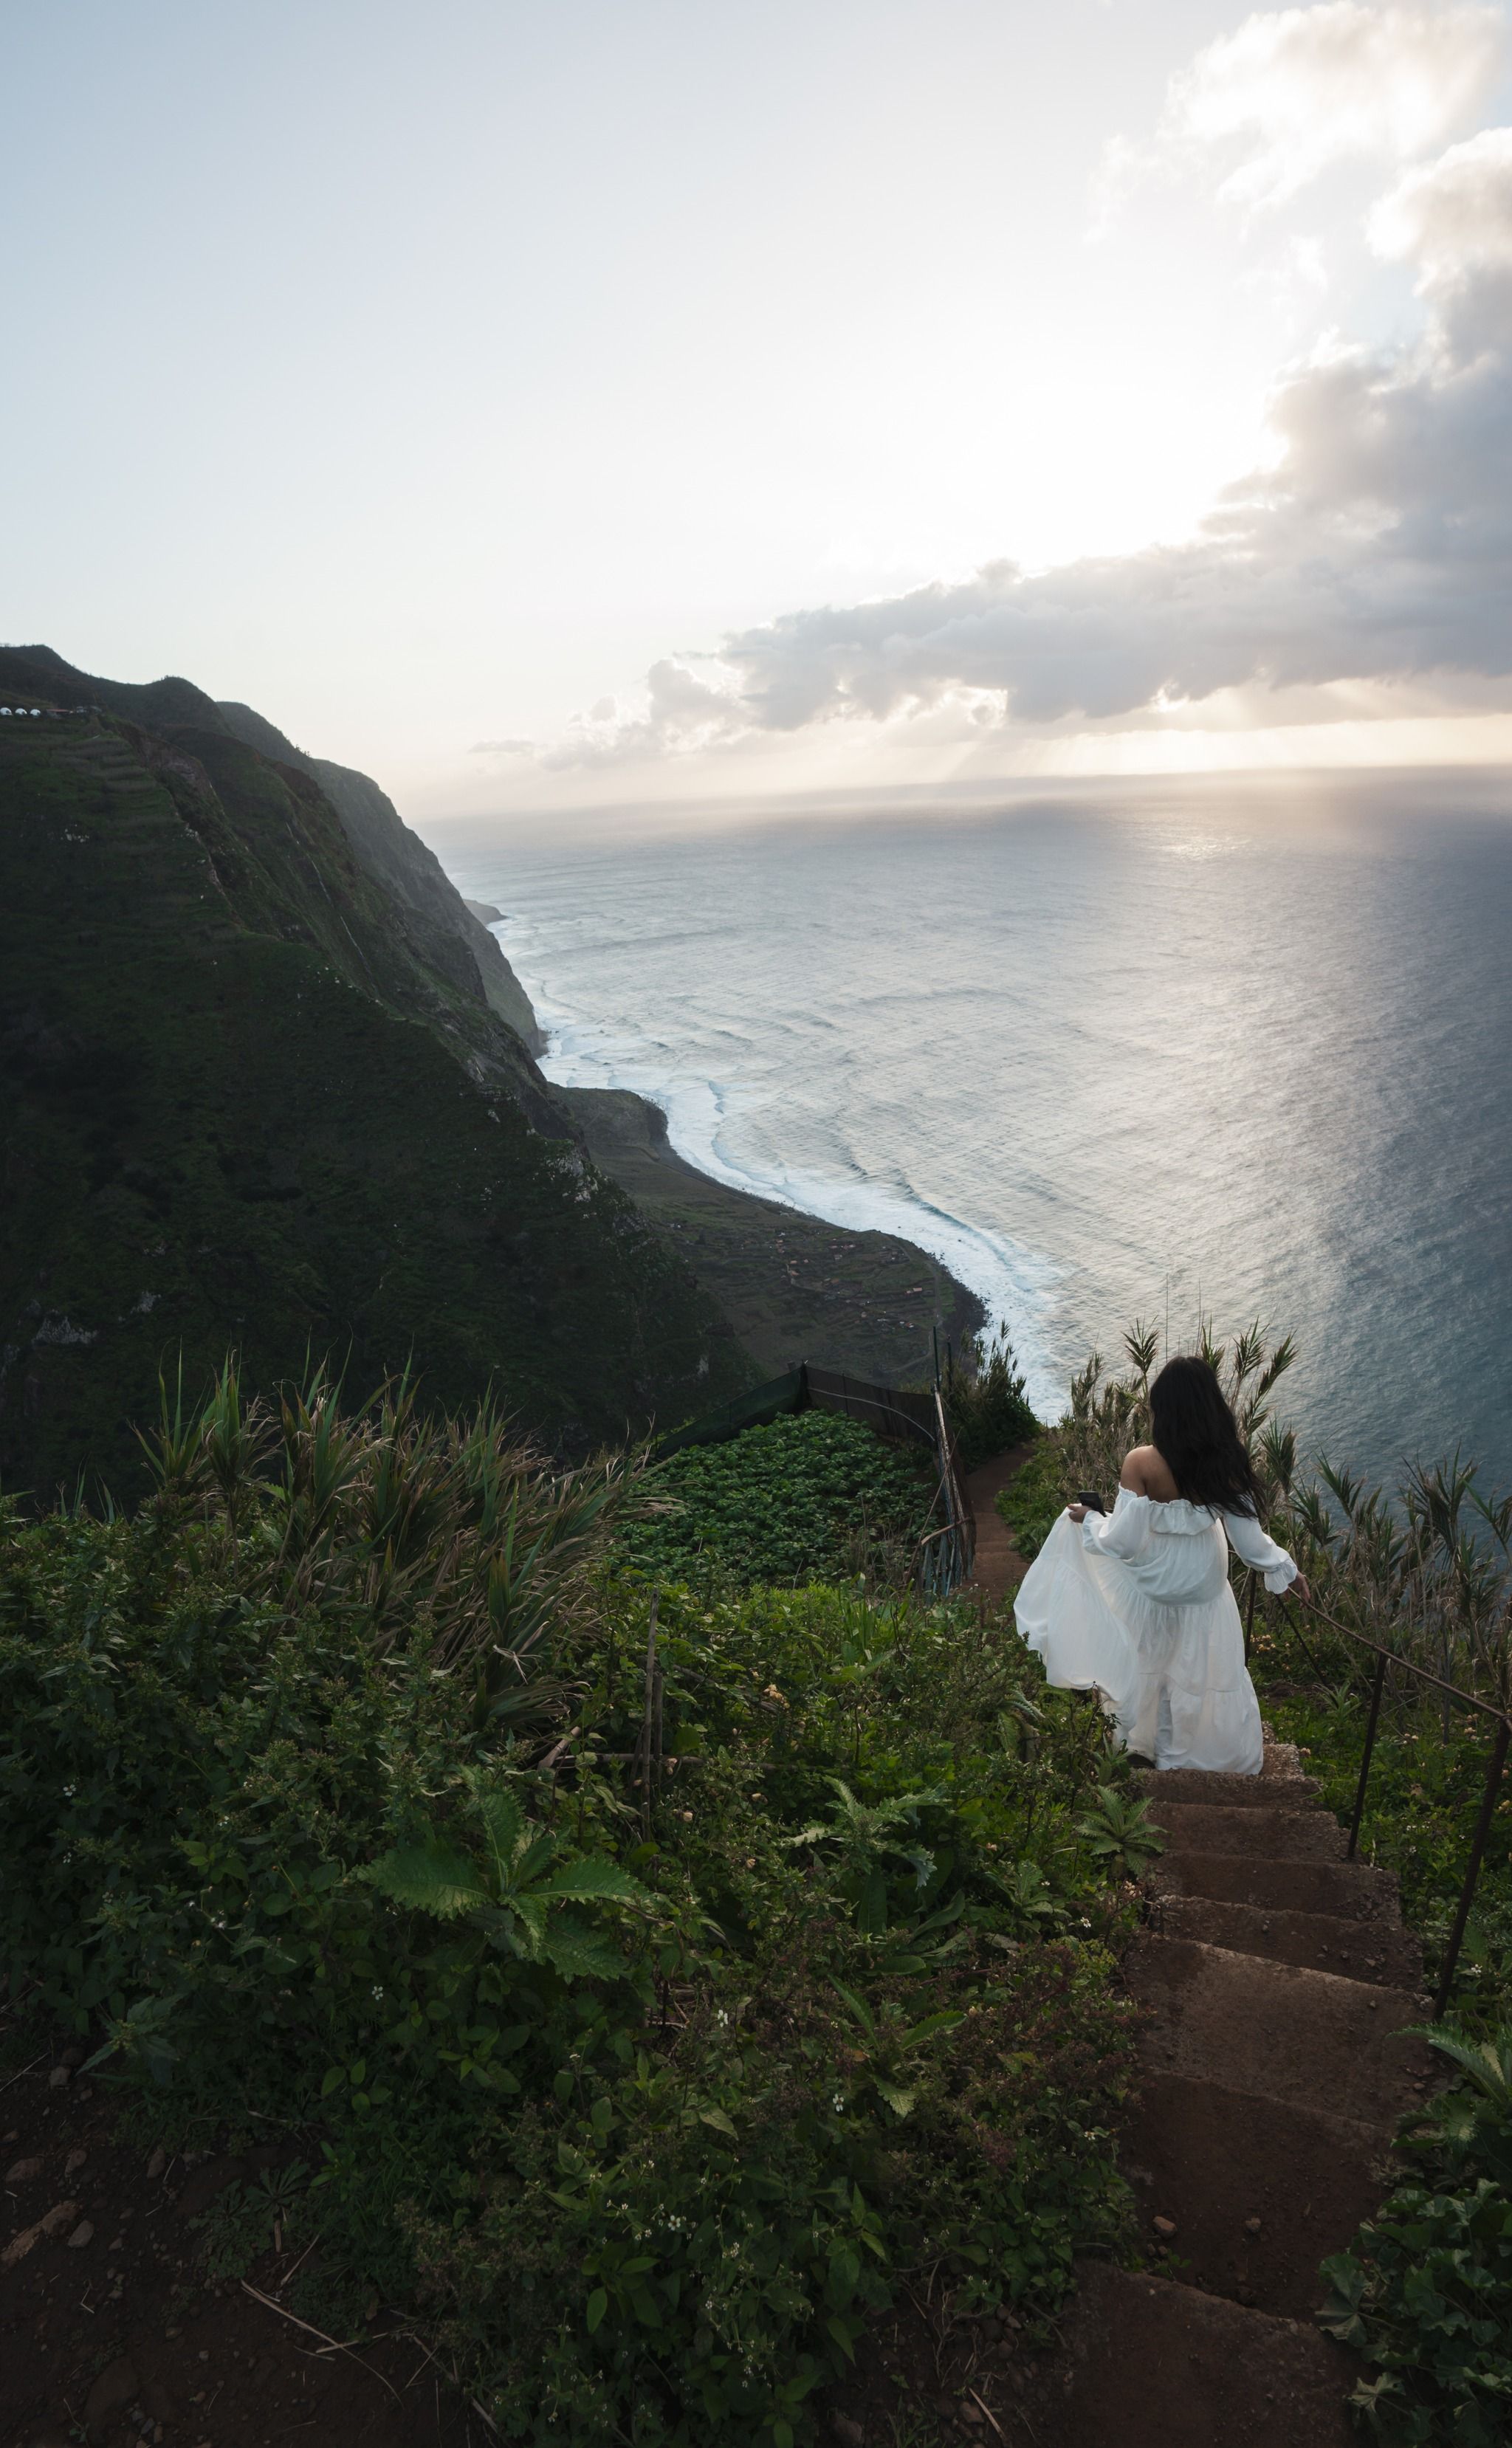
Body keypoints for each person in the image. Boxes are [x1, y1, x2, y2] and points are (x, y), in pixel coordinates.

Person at [1013, 1354, 1310, 1775]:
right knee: (1200, 1668)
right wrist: (1287, 1570)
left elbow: (1124, 1541)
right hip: (1204, 1586)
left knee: (1149, 1660)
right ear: (1212, 1407)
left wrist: (1092, 1520)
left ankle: (1143, 1743)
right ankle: (1204, 1753)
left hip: (1154, 1583)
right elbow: (1249, 1544)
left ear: (1164, 1410)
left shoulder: (1142, 1462)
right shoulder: (1227, 1460)